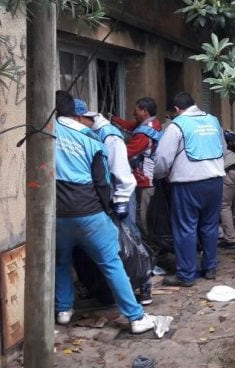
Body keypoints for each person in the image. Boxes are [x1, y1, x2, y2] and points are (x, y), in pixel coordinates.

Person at [53, 90, 155, 334]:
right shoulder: (91, 140)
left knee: (61, 262)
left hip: (57, 215)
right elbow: (102, 182)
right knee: (111, 263)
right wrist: (109, 209)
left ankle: (64, 310)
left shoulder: (46, 134)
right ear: (76, 114)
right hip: (90, 213)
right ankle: (135, 317)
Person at [74, 99, 153, 305]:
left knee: (131, 239)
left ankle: (144, 284)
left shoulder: (109, 136)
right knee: (110, 244)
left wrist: (119, 201)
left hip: (120, 196)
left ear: (82, 118)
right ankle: (107, 288)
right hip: (101, 198)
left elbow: (121, 172)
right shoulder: (89, 134)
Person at [154, 92, 225, 286]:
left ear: (176, 109)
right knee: (210, 226)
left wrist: (160, 175)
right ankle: (209, 268)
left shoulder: (176, 126)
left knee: (186, 228)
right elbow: (223, 148)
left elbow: (161, 159)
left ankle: (186, 274)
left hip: (188, 184)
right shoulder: (213, 121)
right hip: (215, 181)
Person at [111, 97, 163, 237]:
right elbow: (130, 126)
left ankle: (148, 249)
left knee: (145, 217)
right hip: (150, 177)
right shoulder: (153, 123)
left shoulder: (143, 134)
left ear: (144, 111)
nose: (134, 113)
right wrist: (113, 119)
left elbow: (127, 152)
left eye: (136, 110)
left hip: (146, 180)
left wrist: (109, 150)